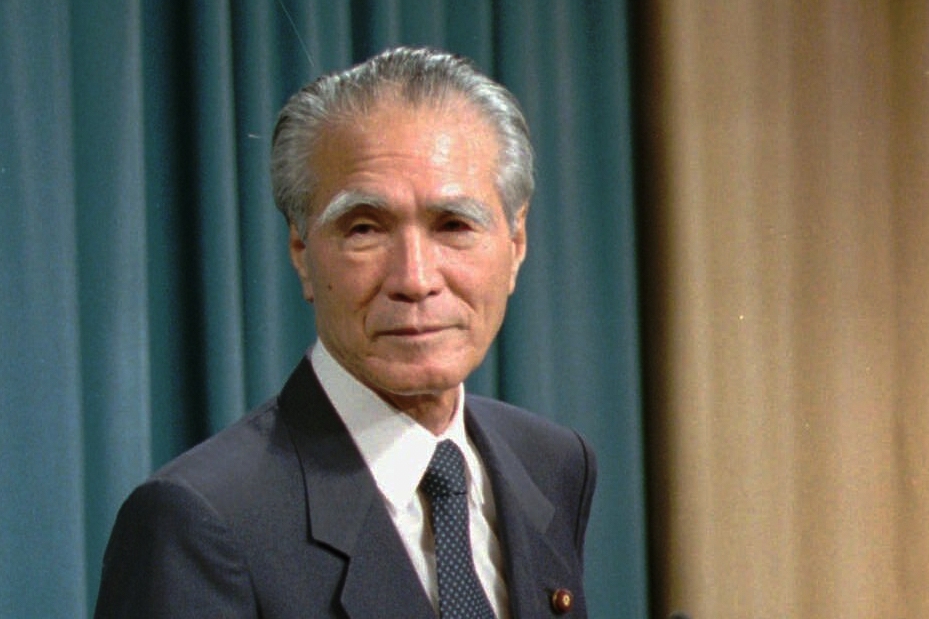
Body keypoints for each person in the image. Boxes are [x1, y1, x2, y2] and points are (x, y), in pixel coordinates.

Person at [94, 46, 597, 619]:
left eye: (454, 225)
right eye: (364, 229)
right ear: (301, 252)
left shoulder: (551, 462)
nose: (415, 279)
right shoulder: (198, 521)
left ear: (516, 243)